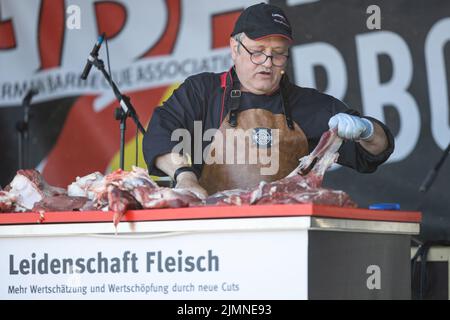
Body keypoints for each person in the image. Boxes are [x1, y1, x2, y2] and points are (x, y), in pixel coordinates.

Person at [142, 3, 394, 198]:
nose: (267, 63)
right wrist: (184, 175)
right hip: (213, 232)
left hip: (285, 234)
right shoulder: (202, 92)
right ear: (235, 47)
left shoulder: (309, 105)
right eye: (257, 52)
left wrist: (367, 130)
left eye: (278, 55)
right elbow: (160, 132)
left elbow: (375, 152)